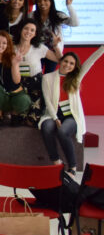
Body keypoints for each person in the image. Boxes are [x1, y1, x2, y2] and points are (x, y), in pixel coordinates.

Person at [38, 46, 104, 175]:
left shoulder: (76, 77)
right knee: (46, 127)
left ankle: (72, 167)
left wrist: (102, 48)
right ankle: (56, 162)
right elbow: (48, 100)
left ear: (75, 67)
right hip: (53, 114)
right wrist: (55, 118)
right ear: (61, 61)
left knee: (63, 132)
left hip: (71, 116)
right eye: (66, 61)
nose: (68, 65)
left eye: (72, 63)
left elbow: (91, 60)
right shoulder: (47, 77)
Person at [14, 19, 61, 124]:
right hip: (18, 86)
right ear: (21, 29)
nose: (28, 32)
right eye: (26, 28)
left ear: (35, 34)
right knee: (16, 120)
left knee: (32, 120)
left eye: (32, 30)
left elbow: (59, 60)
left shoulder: (39, 48)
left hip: (36, 87)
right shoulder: (12, 48)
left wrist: (55, 46)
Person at [0, 31, 31, 127]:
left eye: (4, 43)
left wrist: (15, 64)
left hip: (15, 95)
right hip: (0, 97)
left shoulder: (12, 58)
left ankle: (14, 114)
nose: (0, 45)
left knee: (25, 100)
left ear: (7, 45)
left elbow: (17, 81)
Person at [32, 0, 78, 72]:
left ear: (51, 1)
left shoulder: (58, 15)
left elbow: (75, 23)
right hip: (37, 50)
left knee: (49, 75)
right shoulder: (32, 15)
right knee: (36, 74)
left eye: (45, 0)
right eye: (39, 1)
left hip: (54, 51)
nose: (42, 3)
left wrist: (69, 5)